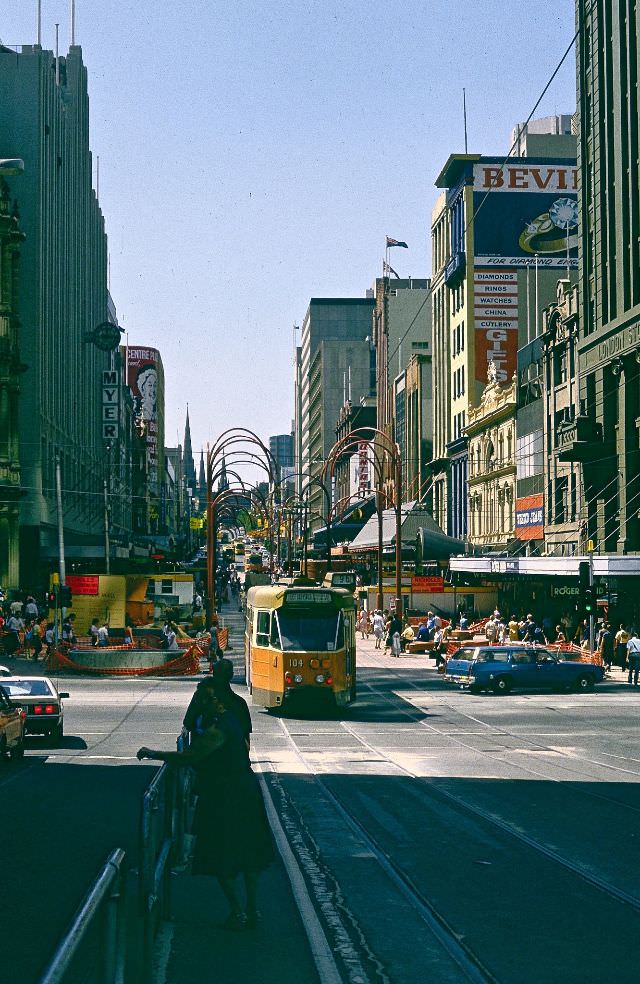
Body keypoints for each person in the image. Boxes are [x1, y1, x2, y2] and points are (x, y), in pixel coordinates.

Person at [137, 680, 273, 930]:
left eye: (204, 700)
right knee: (248, 852)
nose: (200, 706)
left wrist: (155, 754)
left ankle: (238, 911)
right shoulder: (232, 719)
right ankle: (253, 909)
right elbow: (243, 746)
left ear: (217, 701)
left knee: (221, 852)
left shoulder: (217, 730)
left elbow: (190, 756)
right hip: (245, 790)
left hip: (224, 795)